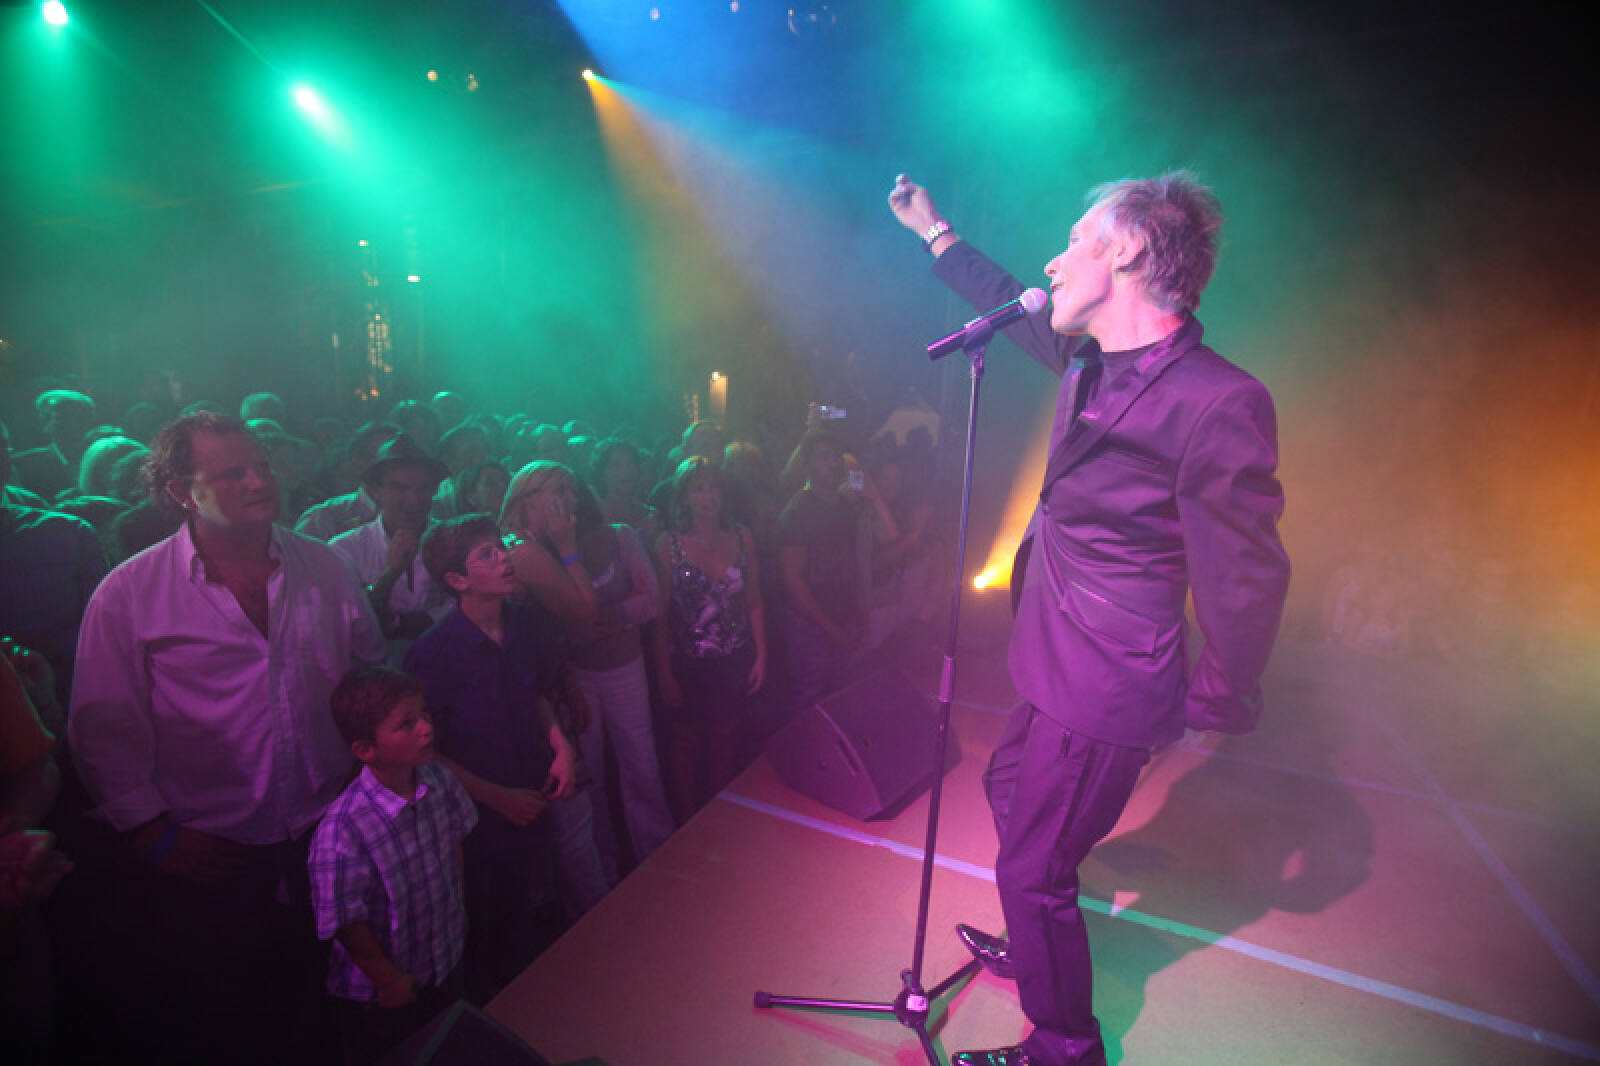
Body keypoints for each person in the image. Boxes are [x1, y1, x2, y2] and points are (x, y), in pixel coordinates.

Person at [889, 172, 1291, 1066]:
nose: (1053, 259)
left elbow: (1246, 576)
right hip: (1052, 654)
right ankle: (1039, 934)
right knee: (1007, 790)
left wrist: (1215, 698)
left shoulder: (1216, 400)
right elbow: (1007, 299)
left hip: (1108, 678)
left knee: (1031, 869)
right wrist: (934, 231)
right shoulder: (1090, 359)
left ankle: (1066, 1043)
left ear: (1127, 251)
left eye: (1074, 240)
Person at [68, 411, 387, 1064]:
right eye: (233, 473)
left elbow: (369, 678)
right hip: (210, 847)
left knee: (335, 1006)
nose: (258, 482)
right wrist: (152, 832)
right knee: (230, 1020)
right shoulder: (130, 594)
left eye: (262, 466)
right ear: (181, 492)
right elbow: (101, 728)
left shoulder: (325, 567)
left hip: (326, 829)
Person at [404, 514, 593, 1001]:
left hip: (530, 787)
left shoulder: (522, 624)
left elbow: (536, 694)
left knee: (532, 904)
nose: (503, 558)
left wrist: (560, 747)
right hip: (477, 814)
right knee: (491, 924)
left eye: (500, 548)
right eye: (485, 555)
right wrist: (496, 798)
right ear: (457, 580)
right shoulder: (432, 654)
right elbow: (427, 750)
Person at [502, 463, 673, 885]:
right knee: (583, 784)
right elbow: (582, 612)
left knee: (635, 767)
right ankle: (603, 883)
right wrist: (568, 549)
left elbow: (647, 602)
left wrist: (597, 626)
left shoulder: (613, 537)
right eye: (558, 491)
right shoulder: (526, 549)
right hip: (559, 683)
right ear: (528, 497)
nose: (571, 499)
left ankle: (648, 861)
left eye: (573, 489)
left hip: (590, 673)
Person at [308, 666, 477, 1066]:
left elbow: (455, 842)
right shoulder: (343, 830)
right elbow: (345, 921)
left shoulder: (439, 780)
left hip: (443, 959)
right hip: (384, 995)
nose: (426, 728)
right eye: (407, 724)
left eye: (424, 715)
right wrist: (387, 979)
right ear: (366, 749)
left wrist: (459, 911)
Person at [652, 457, 768, 820]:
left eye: (714, 487)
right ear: (684, 497)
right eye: (699, 488)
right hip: (687, 660)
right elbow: (660, 617)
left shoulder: (742, 536)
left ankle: (719, 817)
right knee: (686, 741)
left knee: (726, 736)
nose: (708, 496)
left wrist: (762, 654)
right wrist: (664, 673)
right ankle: (687, 821)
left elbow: (754, 600)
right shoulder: (668, 545)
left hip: (733, 656)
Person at [777, 427, 898, 719]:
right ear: (807, 464)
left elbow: (882, 543)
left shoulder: (846, 507)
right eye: (824, 457)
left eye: (835, 457)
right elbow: (794, 582)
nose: (833, 464)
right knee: (808, 702)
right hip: (811, 625)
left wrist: (873, 495)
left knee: (839, 698)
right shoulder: (797, 513)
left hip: (845, 618)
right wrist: (829, 628)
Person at [329, 435, 453, 661]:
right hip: (373, 672)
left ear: (434, 490)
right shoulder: (344, 548)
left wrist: (420, 621)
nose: (413, 499)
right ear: (376, 491)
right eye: (400, 488)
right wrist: (391, 572)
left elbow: (468, 605)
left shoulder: (453, 540)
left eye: (422, 488)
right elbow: (346, 620)